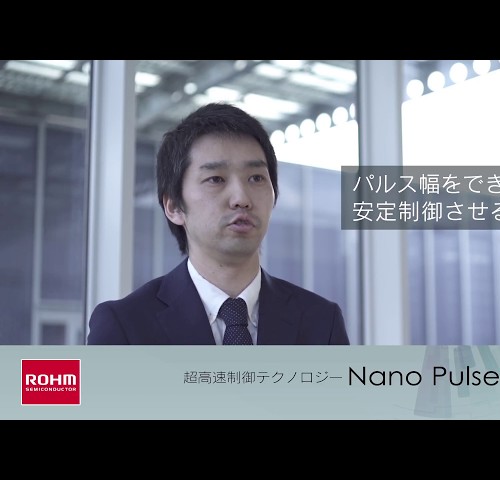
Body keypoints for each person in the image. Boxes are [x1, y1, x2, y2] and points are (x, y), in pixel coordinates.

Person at [87, 102, 350, 345]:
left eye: (256, 178)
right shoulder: (124, 326)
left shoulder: (322, 322)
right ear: (174, 206)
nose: (241, 199)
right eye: (216, 179)